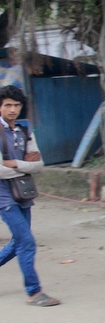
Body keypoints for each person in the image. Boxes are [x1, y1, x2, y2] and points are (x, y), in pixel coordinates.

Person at [0, 85, 59, 307]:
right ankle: (34, 292)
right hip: (3, 196)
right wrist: (26, 166)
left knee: (18, 241)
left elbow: (40, 165)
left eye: (16, 105)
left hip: (22, 193)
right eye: (8, 105)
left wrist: (15, 164)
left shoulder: (25, 132)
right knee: (26, 241)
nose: (13, 109)